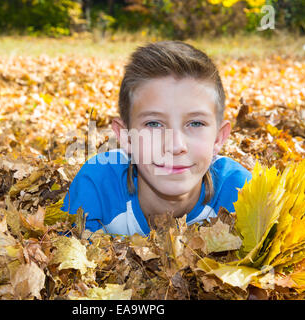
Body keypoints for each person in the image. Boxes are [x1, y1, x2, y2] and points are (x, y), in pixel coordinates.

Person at [60, 41, 252, 236]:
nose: (176, 146)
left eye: (195, 123)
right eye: (154, 124)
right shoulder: (97, 186)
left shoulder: (240, 192)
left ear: (218, 138)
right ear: (126, 137)